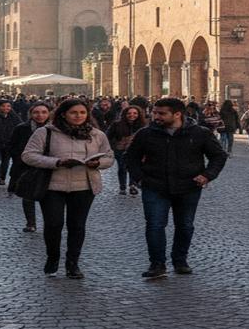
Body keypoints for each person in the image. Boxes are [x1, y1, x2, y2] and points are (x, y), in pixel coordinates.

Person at [126, 97, 228, 279]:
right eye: (155, 112)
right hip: (155, 186)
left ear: (177, 114)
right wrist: (140, 179)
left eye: (161, 113)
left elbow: (218, 156)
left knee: (185, 226)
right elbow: (130, 157)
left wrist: (207, 175)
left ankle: (180, 260)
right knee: (155, 225)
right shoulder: (146, 134)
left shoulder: (199, 133)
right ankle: (157, 264)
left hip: (188, 186)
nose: (155, 116)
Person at [20, 98, 114, 278]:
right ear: (63, 114)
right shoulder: (45, 132)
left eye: (82, 113)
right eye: (73, 112)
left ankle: (73, 264)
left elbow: (109, 157)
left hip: (84, 186)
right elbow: (29, 155)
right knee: (54, 224)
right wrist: (56, 162)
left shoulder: (97, 135)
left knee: (77, 226)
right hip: (53, 186)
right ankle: (53, 257)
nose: (78, 116)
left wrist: (98, 163)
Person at [8, 103, 51, 231]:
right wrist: (21, 159)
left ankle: (50, 222)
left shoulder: (55, 129)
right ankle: (31, 223)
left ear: (49, 114)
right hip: (26, 166)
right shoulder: (21, 128)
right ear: (31, 114)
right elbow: (13, 146)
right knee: (28, 196)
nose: (40, 115)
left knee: (49, 197)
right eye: (36, 112)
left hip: (49, 166)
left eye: (44, 112)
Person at [106, 103, 147, 195]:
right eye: (129, 113)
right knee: (122, 167)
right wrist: (114, 145)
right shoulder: (117, 124)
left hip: (136, 151)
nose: (132, 115)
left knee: (133, 166)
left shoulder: (143, 125)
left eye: (135, 113)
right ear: (125, 114)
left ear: (138, 114)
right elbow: (108, 136)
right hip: (120, 149)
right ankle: (122, 186)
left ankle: (132, 185)